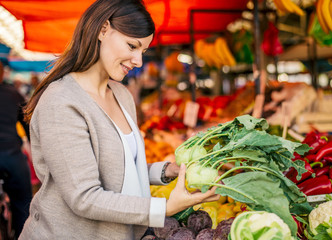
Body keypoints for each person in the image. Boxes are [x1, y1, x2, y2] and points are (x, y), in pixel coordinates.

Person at [19, 0, 219, 239]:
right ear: (103, 29)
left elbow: (117, 172)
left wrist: (168, 171)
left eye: (143, 51)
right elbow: (84, 198)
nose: (138, 61)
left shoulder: (121, 95)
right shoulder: (62, 102)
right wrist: (164, 208)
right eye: (132, 46)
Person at [0, 61, 33, 239]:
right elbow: (27, 122)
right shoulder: (14, 94)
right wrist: (31, 143)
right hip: (12, 157)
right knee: (23, 203)